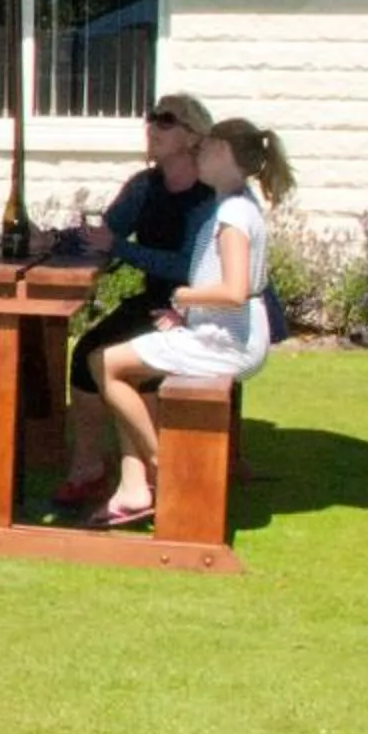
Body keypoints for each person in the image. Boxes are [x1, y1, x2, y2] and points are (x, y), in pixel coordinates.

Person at [84, 118, 296, 527]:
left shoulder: (232, 213)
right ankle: (136, 485)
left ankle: (164, 463)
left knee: (103, 362)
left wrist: (184, 297)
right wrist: (184, 314)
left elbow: (234, 290)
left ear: (223, 154)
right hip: (220, 330)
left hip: (226, 341)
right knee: (122, 370)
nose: (197, 156)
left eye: (204, 149)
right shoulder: (233, 205)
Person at [51, 94, 218, 509]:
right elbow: (104, 237)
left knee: (115, 362)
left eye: (165, 121)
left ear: (193, 135)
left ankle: (153, 471)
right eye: (151, 119)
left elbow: (191, 267)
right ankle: (88, 468)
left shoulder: (209, 194)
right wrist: (55, 241)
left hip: (196, 308)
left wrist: (123, 249)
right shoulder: (144, 186)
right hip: (155, 302)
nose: (152, 128)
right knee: (86, 351)